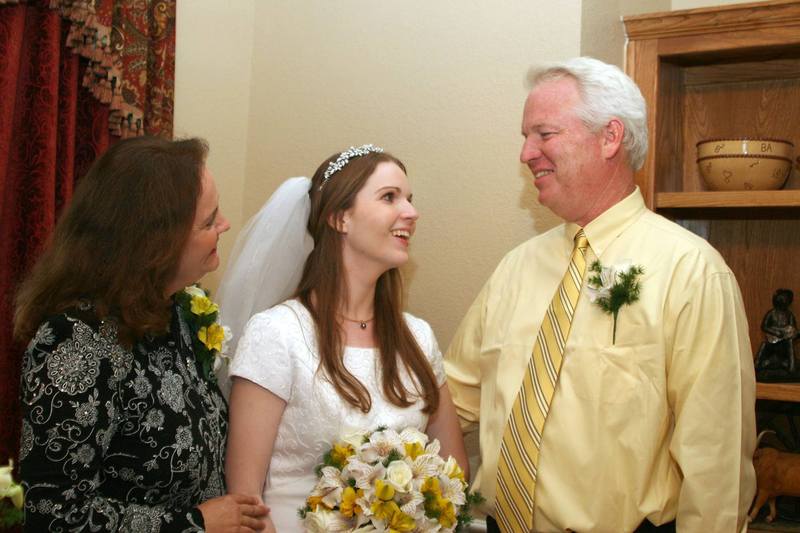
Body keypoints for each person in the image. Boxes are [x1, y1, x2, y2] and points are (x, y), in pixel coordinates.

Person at [445, 57, 757, 532]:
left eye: (544, 134)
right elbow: (455, 398)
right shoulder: (515, 268)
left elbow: (716, 462)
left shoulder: (691, 272)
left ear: (610, 137)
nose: (526, 153)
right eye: (525, 137)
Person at [14, 136, 268, 532]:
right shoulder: (76, 341)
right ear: (156, 242)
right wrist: (196, 524)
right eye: (208, 220)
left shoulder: (178, 312)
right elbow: (55, 515)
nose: (225, 224)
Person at [221, 145, 469, 532]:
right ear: (340, 217)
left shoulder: (418, 338)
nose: (411, 212)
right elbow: (245, 500)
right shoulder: (277, 333)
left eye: (409, 198)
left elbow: (454, 472)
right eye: (390, 197)